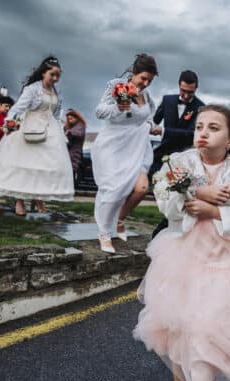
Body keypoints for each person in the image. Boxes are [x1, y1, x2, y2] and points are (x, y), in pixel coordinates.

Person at [133, 104, 230, 381]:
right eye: (200, 127)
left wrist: (214, 210)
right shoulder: (178, 163)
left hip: (225, 264)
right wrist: (196, 193)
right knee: (179, 329)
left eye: (213, 128)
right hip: (180, 259)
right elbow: (165, 205)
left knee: (206, 333)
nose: (203, 133)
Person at [0, 56, 74, 215]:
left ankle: (39, 198)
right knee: (25, 166)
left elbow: (57, 114)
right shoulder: (32, 89)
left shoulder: (57, 92)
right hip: (30, 129)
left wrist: (60, 131)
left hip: (50, 132)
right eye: (52, 74)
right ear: (44, 73)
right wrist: (9, 123)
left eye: (58, 76)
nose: (55, 78)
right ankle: (20, 201)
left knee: (43, 166)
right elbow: (17, 109)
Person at [92, 53, 159, 253]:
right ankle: (104, 232)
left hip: (138, 147)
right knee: (113, 189)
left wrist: (151, 125)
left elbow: (147, 116)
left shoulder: (146, 96)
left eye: (150, 80)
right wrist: (119, 108)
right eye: (143, 78)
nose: (146, 83)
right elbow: (100, 111)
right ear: (133, 73)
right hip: (114, 146)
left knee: (141, 188)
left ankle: (120, 219)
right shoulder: (117, 86)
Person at [149, 70, 205, 238]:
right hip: (161, 156)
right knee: (160, 192)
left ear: (196, 89)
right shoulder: (167, 100)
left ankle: (164, 228)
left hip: (183, 160)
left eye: (190, 92)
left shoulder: (200, 107)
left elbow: (191, 134)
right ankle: (169, 224)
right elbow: (153, 121)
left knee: (177, 195)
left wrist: (164, 130)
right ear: (179, 86)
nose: (186, 95)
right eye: (183, 91)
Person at [64, 108, 86, 182]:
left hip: (76, 149)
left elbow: (79, 133)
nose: (70, 120)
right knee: (70, 167)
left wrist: (69, 132)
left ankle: (73, 184)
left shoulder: (80, 125)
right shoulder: (70, 126)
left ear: (76, 117)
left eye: (71, 118)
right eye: (69, 119)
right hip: (70, 148)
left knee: (73, 166)